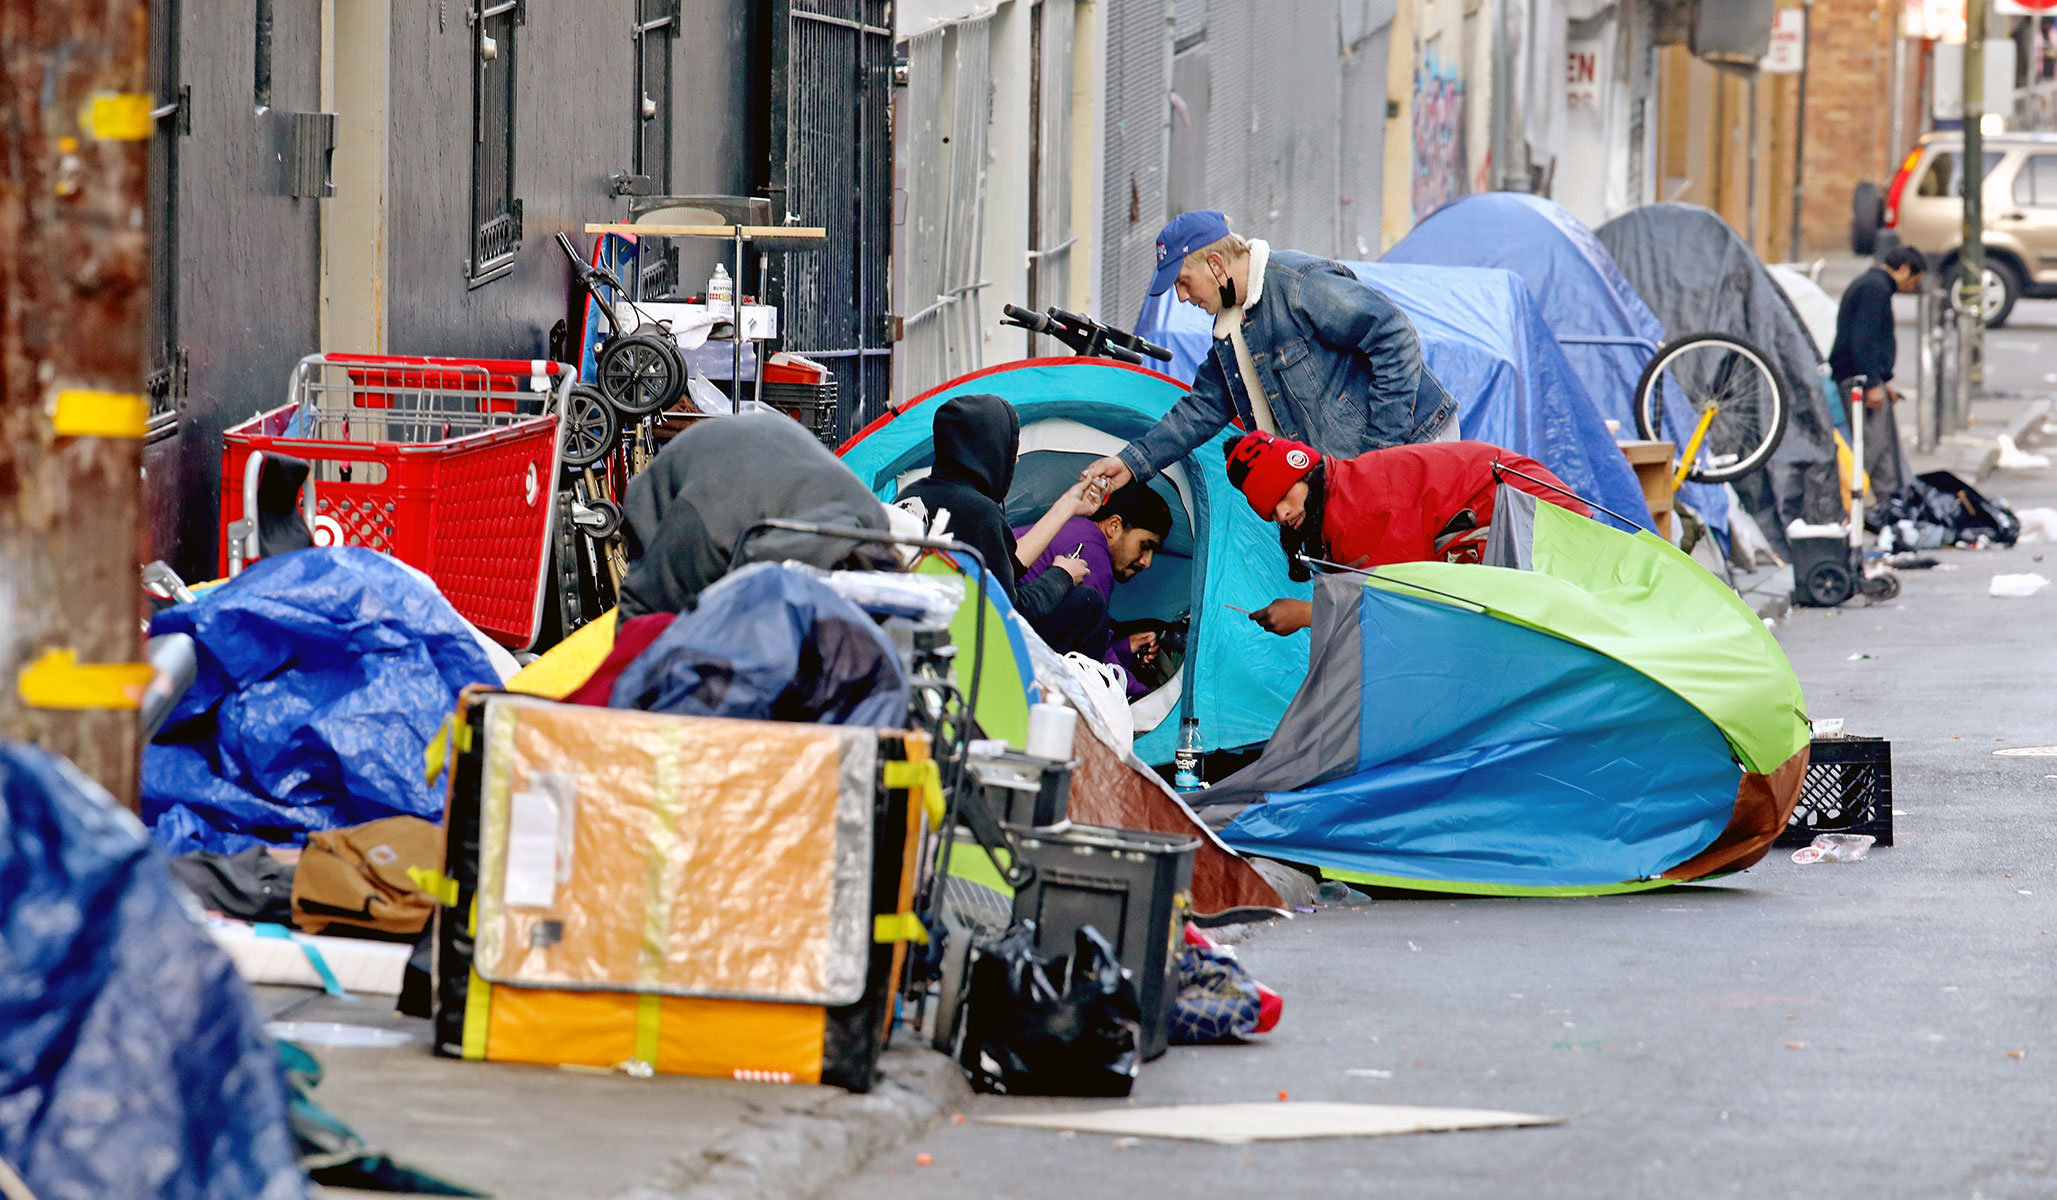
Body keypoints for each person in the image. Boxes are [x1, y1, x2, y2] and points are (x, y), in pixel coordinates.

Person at [1080, 209, 1458, 498]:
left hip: (1414, 444)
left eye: (1183, 281)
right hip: (1353, 476)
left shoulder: (1297, 283)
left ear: (1215, 265)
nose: (1182, 297)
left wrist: (1381, 455)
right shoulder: (1231, 330)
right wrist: (1131, 463)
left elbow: (1394, 336)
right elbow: (1202, 409)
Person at [1222, 430, 1590, 636]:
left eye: (1283, 497)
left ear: (1304, 473)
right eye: (1270, 511)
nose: (1282, 514)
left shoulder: (1360, 513)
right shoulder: (1338, 490)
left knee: (1462, 625)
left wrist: (1305, 614)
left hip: (1535, 520)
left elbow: (1405, 604)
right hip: (1517, 512)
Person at [616, 412, 897, 619]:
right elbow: (640, 616)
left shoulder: (872, 531)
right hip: (690, 488)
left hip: (766, 455)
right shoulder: (702, 535)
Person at [895, 393, 1093, 619]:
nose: (1016, 459)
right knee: (1087, 605)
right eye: (1010, 449)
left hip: (907, 626)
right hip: (963, 641)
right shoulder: (979, 513)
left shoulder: (913, 493)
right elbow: (1008, 614)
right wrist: (1061, 576)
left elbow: (998, 572)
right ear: (989, 449)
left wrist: (1067, 505)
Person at [1016, 482, 1171, 684]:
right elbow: (1092, 666)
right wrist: (1144, 696)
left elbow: (1083, 638)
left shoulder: (1077, 529)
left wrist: (1124, 647)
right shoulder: (1090, 551)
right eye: (1145, 546)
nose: (1147, 562)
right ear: (1114, 526)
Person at [1828, 245, 1926, 501]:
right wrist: (1872, 382)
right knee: (1870, 445)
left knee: (1880, 445)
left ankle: (1891, 501)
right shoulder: (1875, 290)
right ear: (1904, 269)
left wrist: (1883, 381)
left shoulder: (1873, 285)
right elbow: (1863, 340)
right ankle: (1852, 498)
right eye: (1915, 280)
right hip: (1858, 379)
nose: (1912, 286)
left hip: (1863, 377)